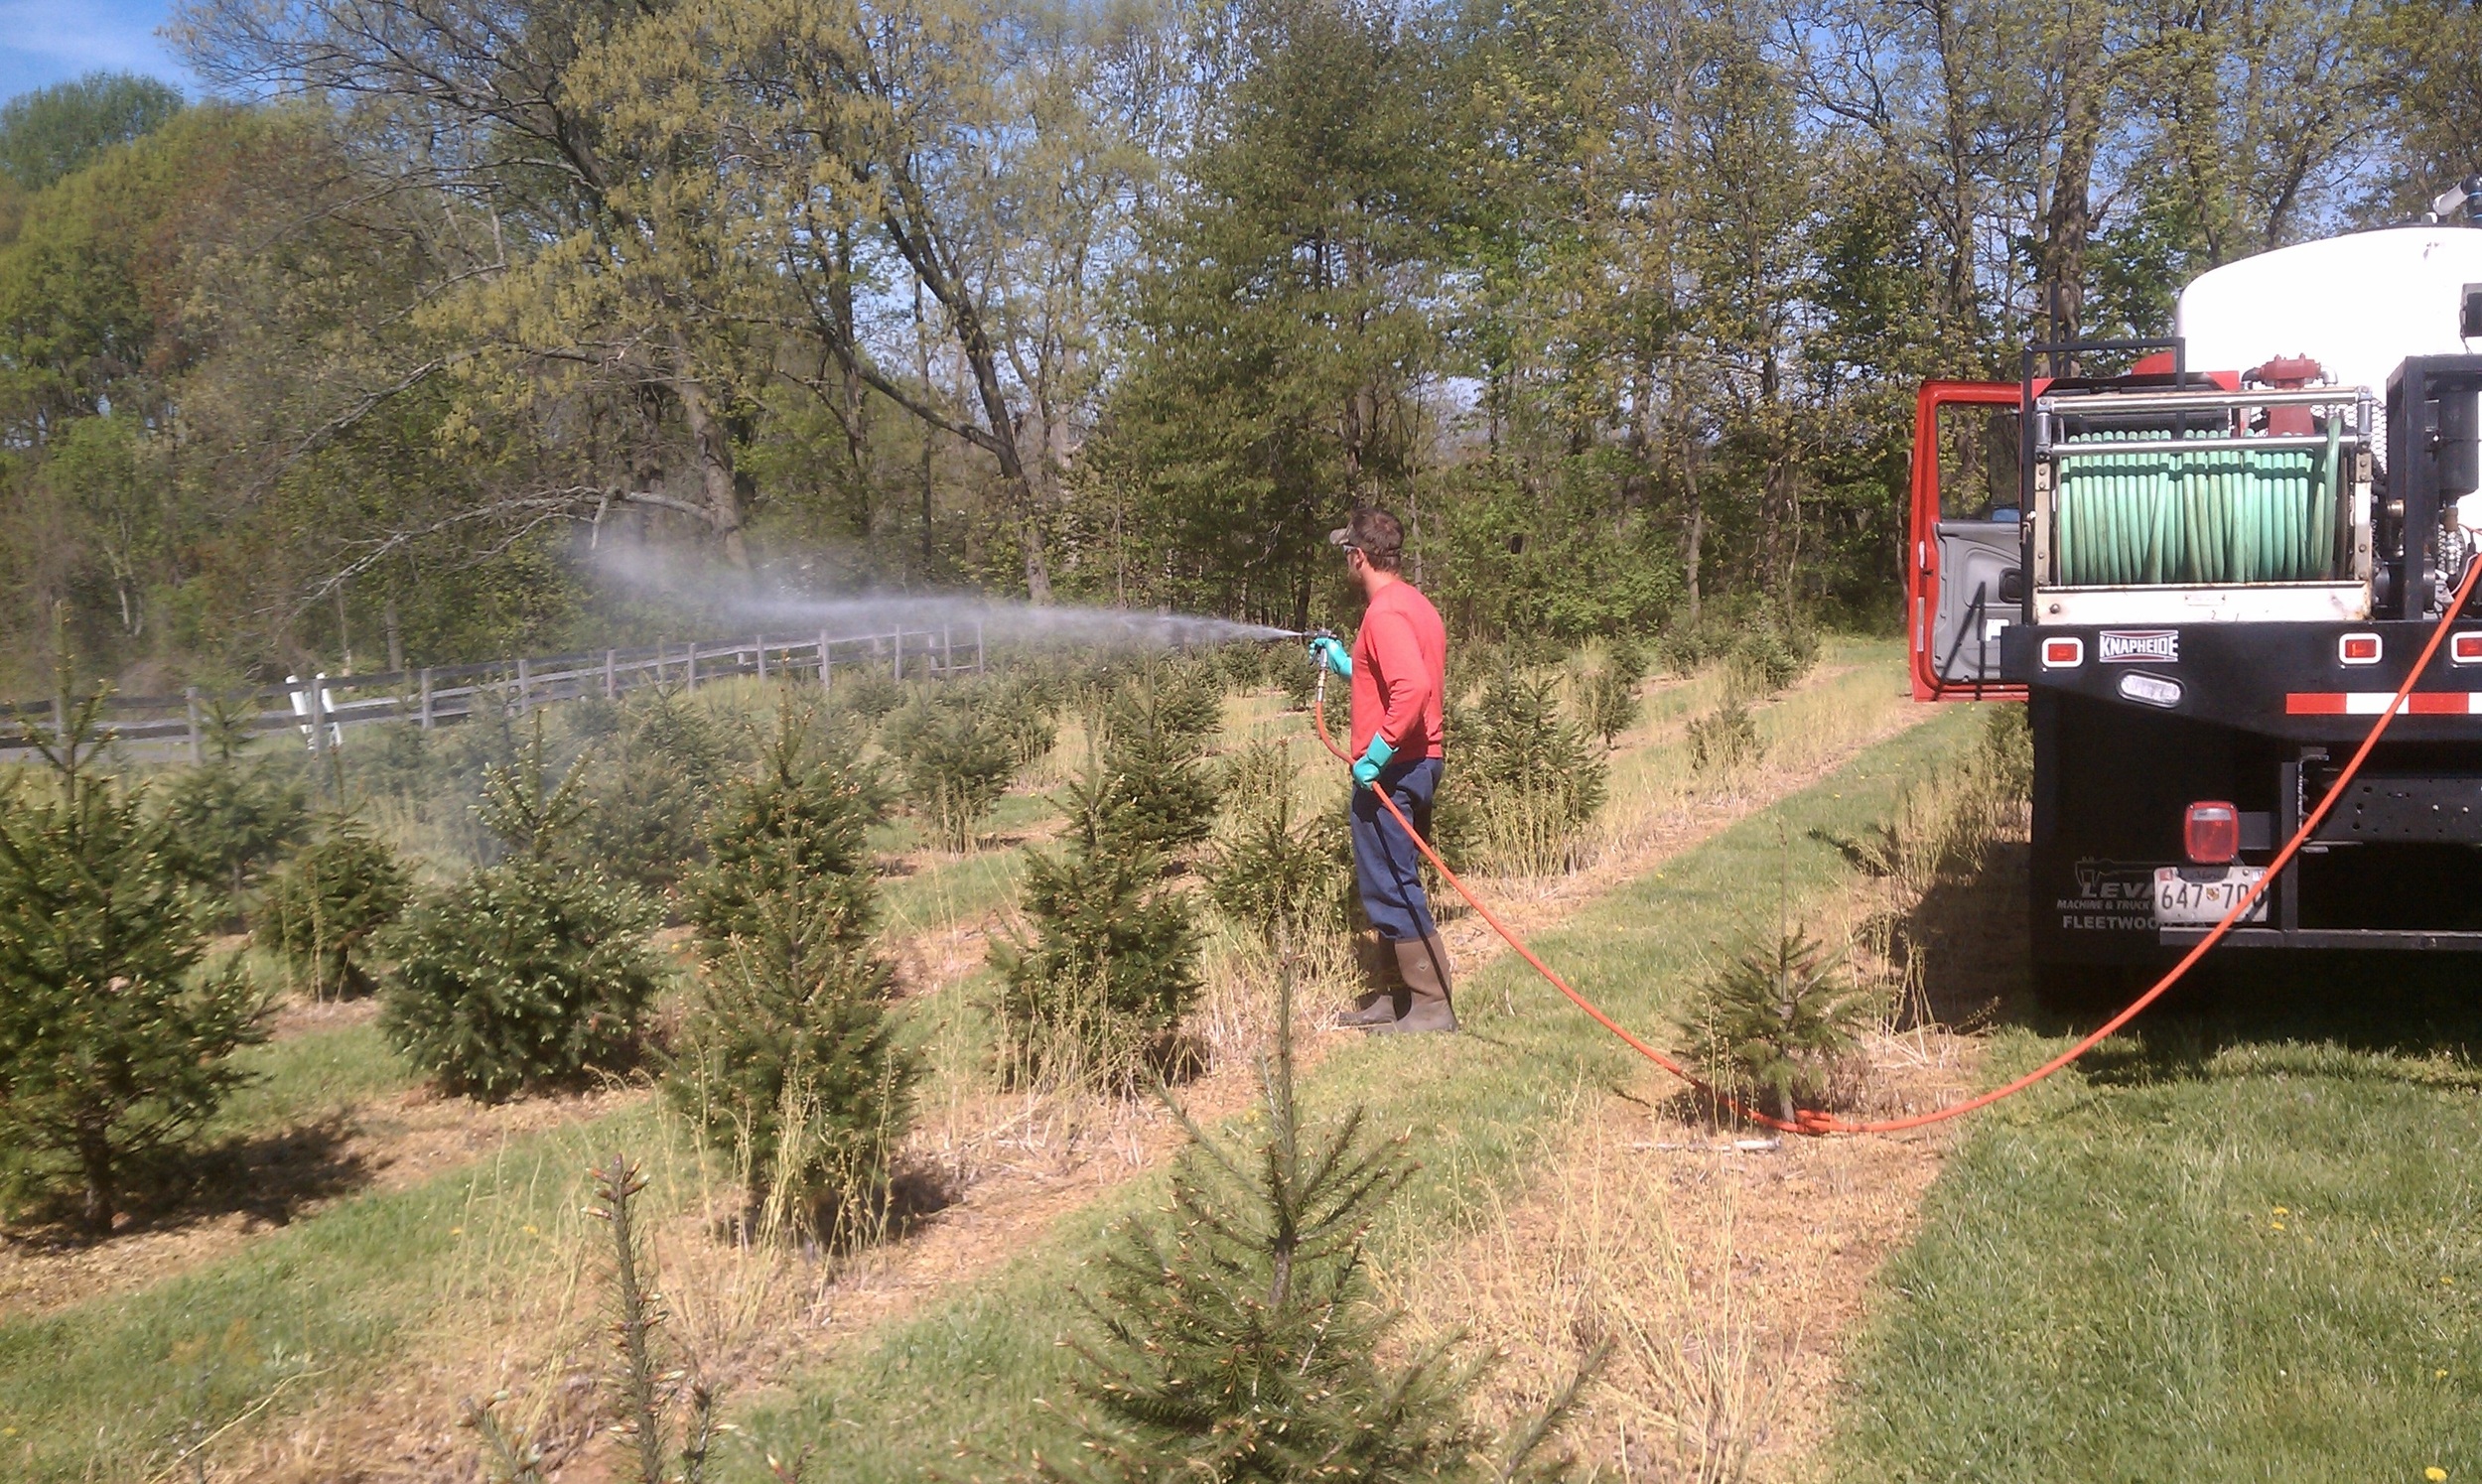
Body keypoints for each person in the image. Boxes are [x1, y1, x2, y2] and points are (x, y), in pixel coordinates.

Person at [1307, 507, 1455, 1033]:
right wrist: (1350, 664)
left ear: (1360, 556)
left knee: (1393, 883)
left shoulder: (1385, 612)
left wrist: (1377, 752)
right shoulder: (1414, 605)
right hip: (1418, 760)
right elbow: (1392, 677)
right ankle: (1397, 1000)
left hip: (1396, 767)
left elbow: (1412, 689)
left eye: (1348, 554)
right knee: (1388, 880)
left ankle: (1432, 1007)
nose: (1347, 563)